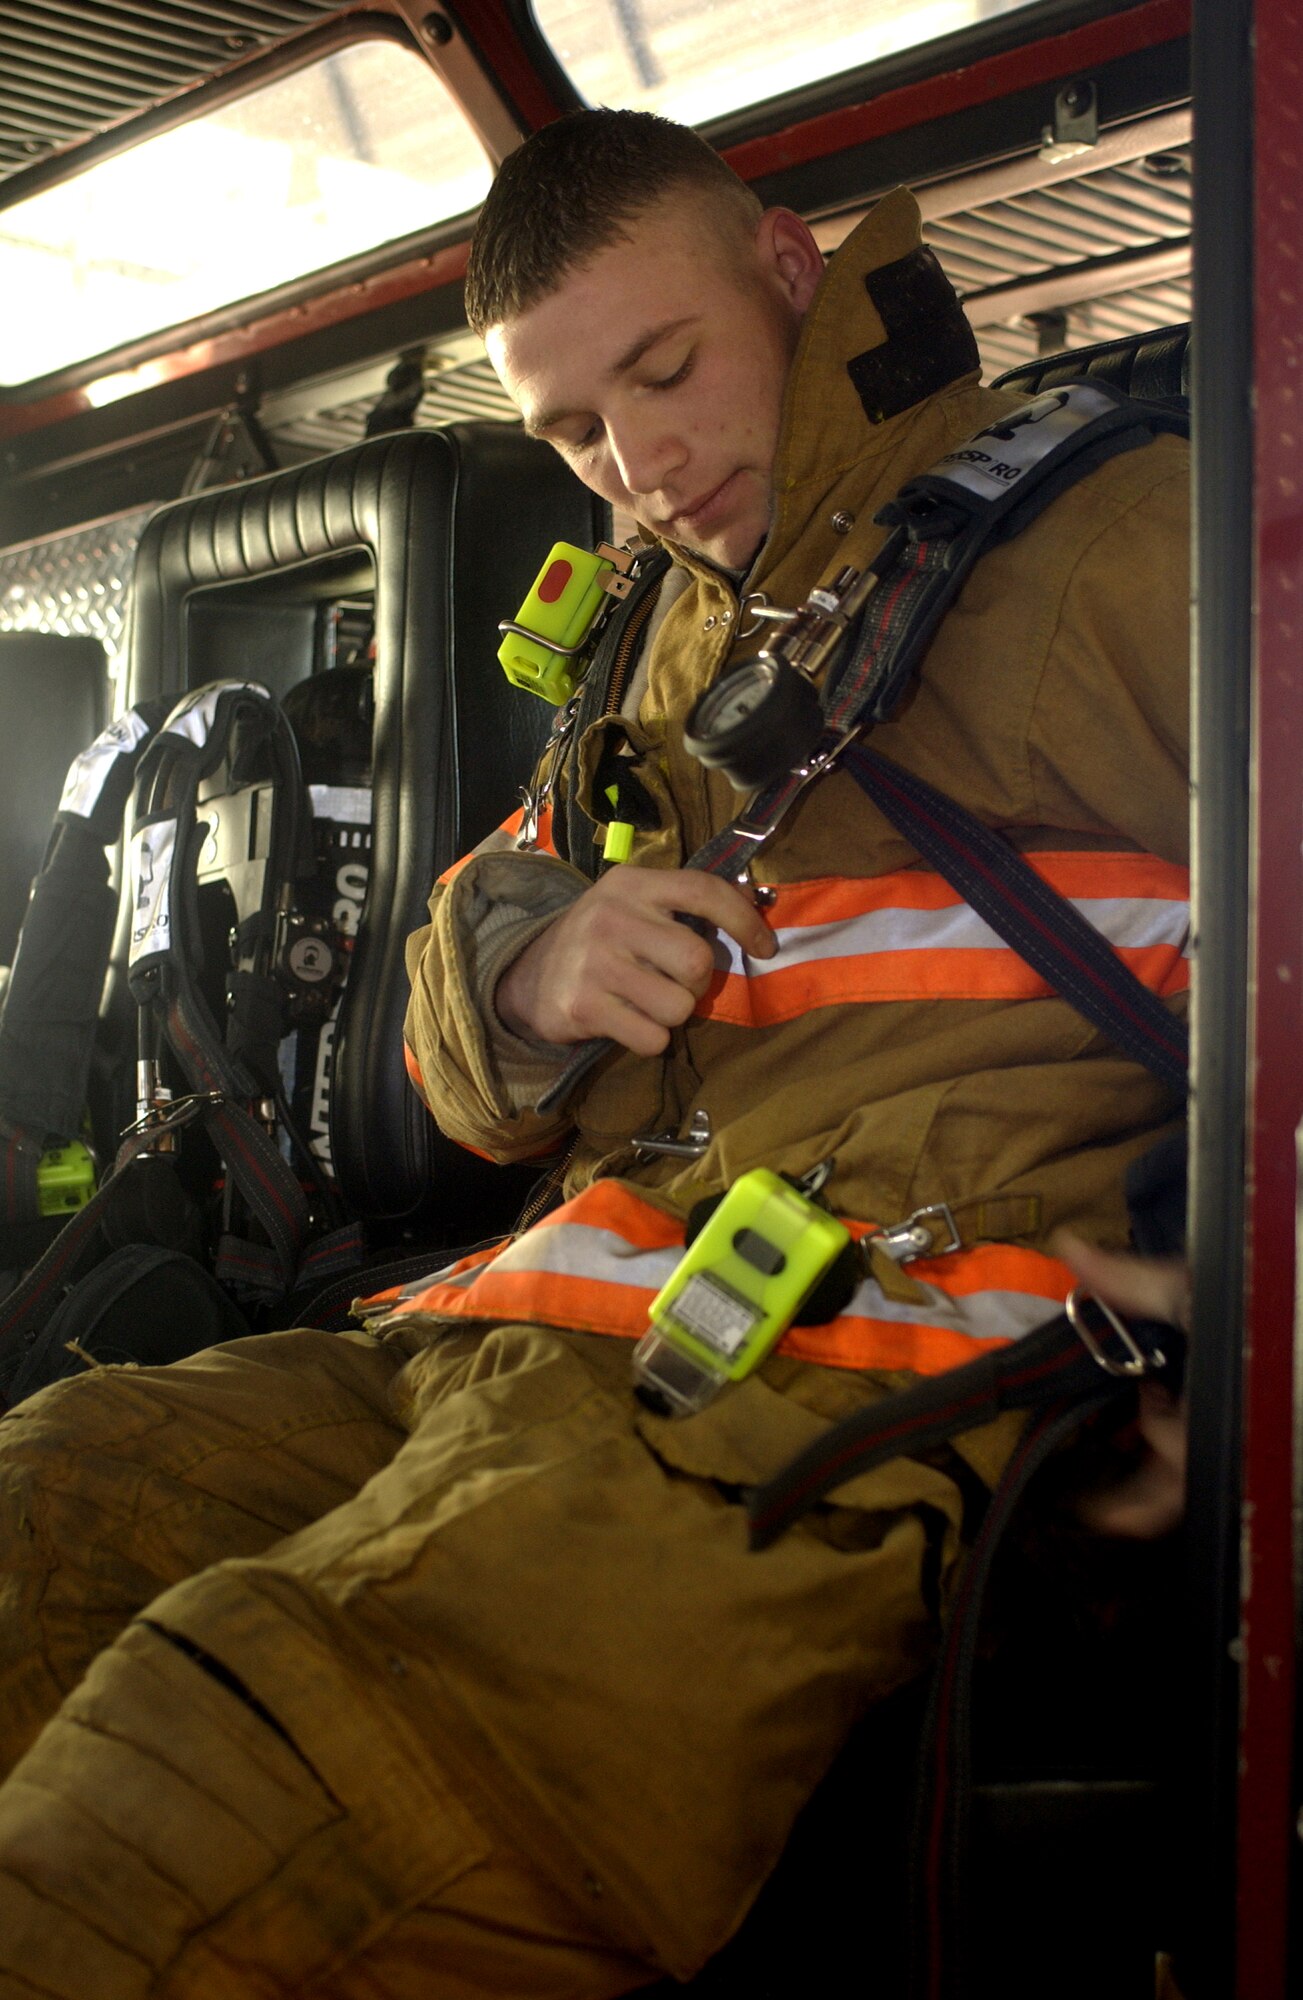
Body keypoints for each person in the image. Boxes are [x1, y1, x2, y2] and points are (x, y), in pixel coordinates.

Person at [0, 110, 1189, 1998]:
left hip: (849, 1352)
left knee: (230, 1756)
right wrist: (536, 975)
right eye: (571, 430)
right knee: (54, 1486)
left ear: (791, 274)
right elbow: (450, 1019)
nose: (639, 465)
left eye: (667, 370)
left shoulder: (1124, 532)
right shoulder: (649, 623)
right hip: (536, 1332)